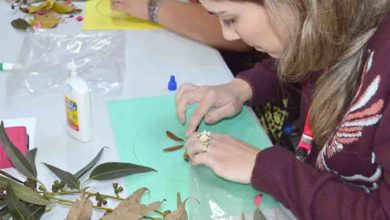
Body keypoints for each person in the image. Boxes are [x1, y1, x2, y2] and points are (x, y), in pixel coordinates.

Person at [175, 0, 390, 219]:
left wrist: (271, 170)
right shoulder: (335, 20)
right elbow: (309, 61)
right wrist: (245, 87)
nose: (229, 35)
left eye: (230, 18)